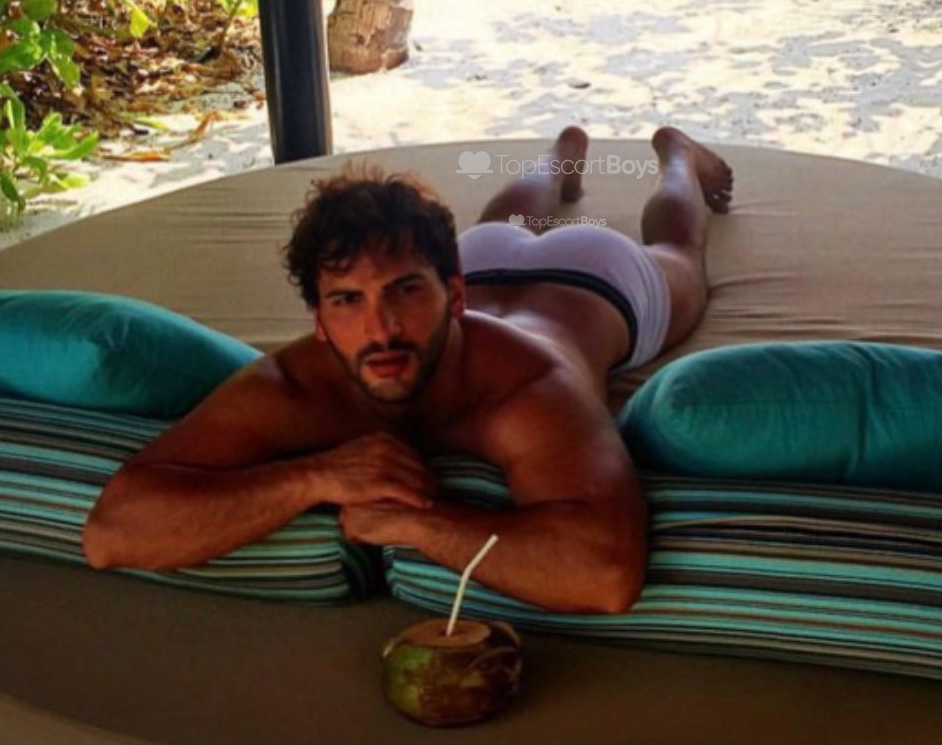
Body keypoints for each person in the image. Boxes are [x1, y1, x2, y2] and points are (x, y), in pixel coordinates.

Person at [82, 126, 732, 614]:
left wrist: (418, 523)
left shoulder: (530, 387)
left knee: (676, 247)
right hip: (484, 258)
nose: (381, 328)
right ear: (318, 319)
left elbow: (604, 575)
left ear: (453, 295)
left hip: (598, 282)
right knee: (501, 225)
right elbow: (113, 532)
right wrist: (313, 477)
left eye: (403, 291)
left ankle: (677, 156)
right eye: (347, 300)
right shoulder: (294, 383)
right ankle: (561, 157)